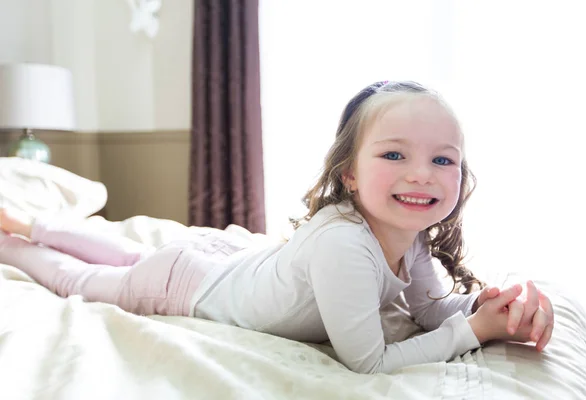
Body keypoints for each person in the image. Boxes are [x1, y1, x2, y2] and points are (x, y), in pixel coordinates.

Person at [0, 81, 554, 374]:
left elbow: (431, 311)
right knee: (86, 280)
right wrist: (473, 334)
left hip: (213, 260)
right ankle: (16, 240)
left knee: (123, 253)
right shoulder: (345, 244)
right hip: (186, 286)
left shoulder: (411, 234)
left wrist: (491, 306)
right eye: (393, 154)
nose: (420, 175)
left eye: (443, 160)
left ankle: (34, 221)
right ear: (350, 176)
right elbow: (369, 362)